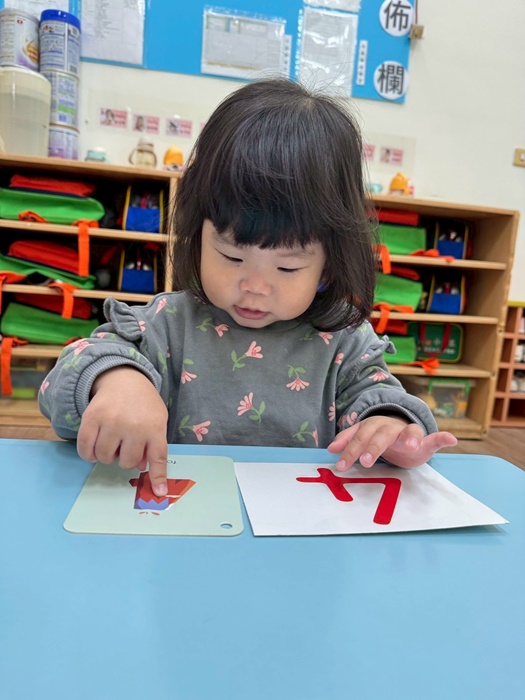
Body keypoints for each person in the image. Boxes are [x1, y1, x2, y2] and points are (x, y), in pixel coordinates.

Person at [39, 78, 457, 496]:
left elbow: (381, 397)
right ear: (198, 234)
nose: (255, 286)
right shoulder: (167, 324)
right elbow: (61, 384)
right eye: (231, 256)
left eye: (288, 267)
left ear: (330, 260)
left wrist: (388, 428)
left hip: (300, 522)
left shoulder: (344, 342)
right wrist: (117, 381)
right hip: (185, 514)